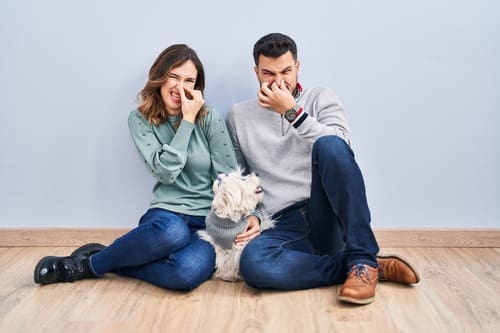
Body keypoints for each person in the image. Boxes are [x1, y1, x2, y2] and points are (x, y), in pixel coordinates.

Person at [33, 44, 260, 290]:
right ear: (160, 77)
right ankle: (84, 266)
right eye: (174, 76)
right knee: (174, 233)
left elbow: (228, 176)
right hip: (166, 216)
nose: (180, 87)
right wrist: (186, 121)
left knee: (186, 274)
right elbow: (165, 172)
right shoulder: (140, 120)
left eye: (189, 81)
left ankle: (113, 259)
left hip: (206, 221)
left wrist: (251, 215)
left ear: (196, 87)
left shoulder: (209, 118)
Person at [226, 33, 420, 305]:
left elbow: (341, 150)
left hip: (326, 211)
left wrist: (292, 112)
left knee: (329, 144)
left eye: (286, 71)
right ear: (256, 72)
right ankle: (359, 266)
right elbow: (244, 179)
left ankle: (362, 257)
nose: (279, 81)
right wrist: (256, 214)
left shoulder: (320, 97)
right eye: (268, 73)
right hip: (282, 221)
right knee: (254, 265)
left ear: (298, 67)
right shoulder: (239, 115)